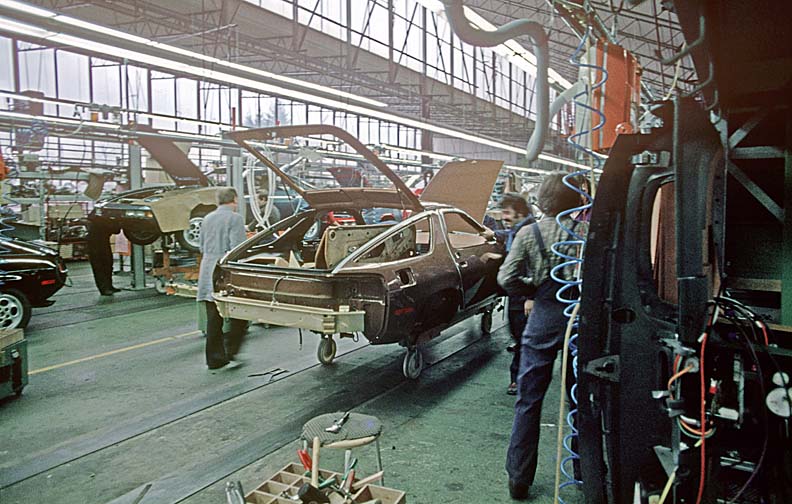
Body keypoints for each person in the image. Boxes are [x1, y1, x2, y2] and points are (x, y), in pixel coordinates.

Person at [497, 172, 585, 500]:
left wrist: (530, 291)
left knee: (528, 399)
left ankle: (519, 479)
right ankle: (584, 472)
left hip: (544, 315)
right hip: (578, 316)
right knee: (581, 399)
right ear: (576, 198)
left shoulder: (528, 232)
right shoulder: (585, 232)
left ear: (543, 199)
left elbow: (506, 277)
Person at [197, 188, 249, 371]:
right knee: (240, 312)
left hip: (207, 268)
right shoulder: (235, 219)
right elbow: (237, 249)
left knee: (213, 316)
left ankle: (214, 358)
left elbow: (201, 246)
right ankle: (231, 349)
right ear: (234, 199)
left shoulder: (207, 218)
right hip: (224, 270)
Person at [495, 193, 535, 395]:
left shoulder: (529, 233)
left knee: (524, 339)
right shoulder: (517, 230)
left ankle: (519, 380)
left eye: (507, 213)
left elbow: (534, 266)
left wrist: (531, 297)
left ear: (520, 213)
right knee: (519, 336)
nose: (504, 217)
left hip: (524, 296)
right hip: (517, 295)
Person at [86, 217, 121, 296]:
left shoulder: (107, 219)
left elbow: (116, 230)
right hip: (94, 244)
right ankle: (103, 289)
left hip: (104, 242)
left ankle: (109, 286)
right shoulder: (99, 218)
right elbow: (115, 230)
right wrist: (119, 222)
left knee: (108, 264)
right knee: (99, 266)